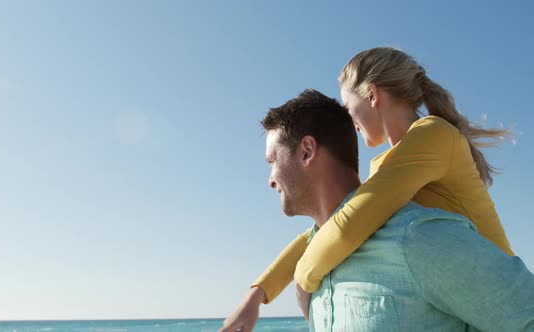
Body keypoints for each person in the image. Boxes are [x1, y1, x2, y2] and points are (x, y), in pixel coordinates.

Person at [221, 47, 516, 330]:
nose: (350, 121)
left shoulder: (434, 134)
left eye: (349, 108)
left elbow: (350, 222)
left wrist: (304, 278)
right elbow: (332, 225)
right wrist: (257, 294)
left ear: (373, 95)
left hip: (500, 302)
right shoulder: (386, 164)